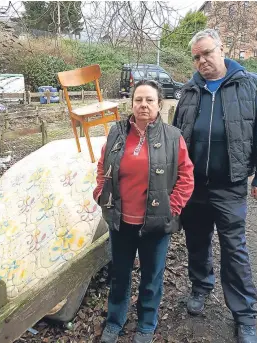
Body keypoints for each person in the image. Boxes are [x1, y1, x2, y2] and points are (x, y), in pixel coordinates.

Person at [173, 29, 257, 343]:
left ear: (222, 49)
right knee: (197, 242)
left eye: (207, 53)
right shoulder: (190, 90)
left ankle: (244, 315)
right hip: (193, 186)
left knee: (234, 249)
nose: (202, 60)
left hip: (229, 185)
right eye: (197, 56)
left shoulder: (248, 84)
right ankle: (201, 287)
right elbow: (176, 137)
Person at [93, 80, 194, 343]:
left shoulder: (173, 137)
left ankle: (147, 324)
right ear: (131, 103)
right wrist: (101, 193)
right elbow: (103, 167)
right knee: (120, 275)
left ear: (159, 104)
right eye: (138, 100)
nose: (143, 105)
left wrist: (172, 208)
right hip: (121, 220)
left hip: (156, 224)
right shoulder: (116, 133)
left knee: (151, 276)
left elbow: (186, 175)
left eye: (149, 100)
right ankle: (115, 321)